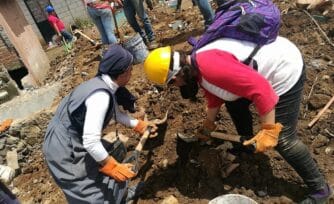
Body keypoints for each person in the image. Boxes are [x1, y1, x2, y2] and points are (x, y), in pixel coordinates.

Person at [143, 37, 333, 203]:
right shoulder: (196, 64)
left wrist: (268, 129)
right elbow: (216, 93)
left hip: (283, 69)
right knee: (233, 103)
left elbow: (262, 90)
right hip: (261, 71)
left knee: (283, 140)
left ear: (177, 74)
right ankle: (246, 146)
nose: (176, 87)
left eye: (172, 83)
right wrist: (208, 125)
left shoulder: (210, 66)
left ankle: (320, 189)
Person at [43, 45, 158, 203]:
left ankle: (120, 197)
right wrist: (111, 166)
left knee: (99, 167)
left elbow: (114, 113)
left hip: (73, 136)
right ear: (123, 73)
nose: (132, 73)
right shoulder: (100, 96)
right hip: (64, 147)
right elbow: (91, 142)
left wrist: (138, 125)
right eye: (131, 70)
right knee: (86, 188)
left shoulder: (102, 83)